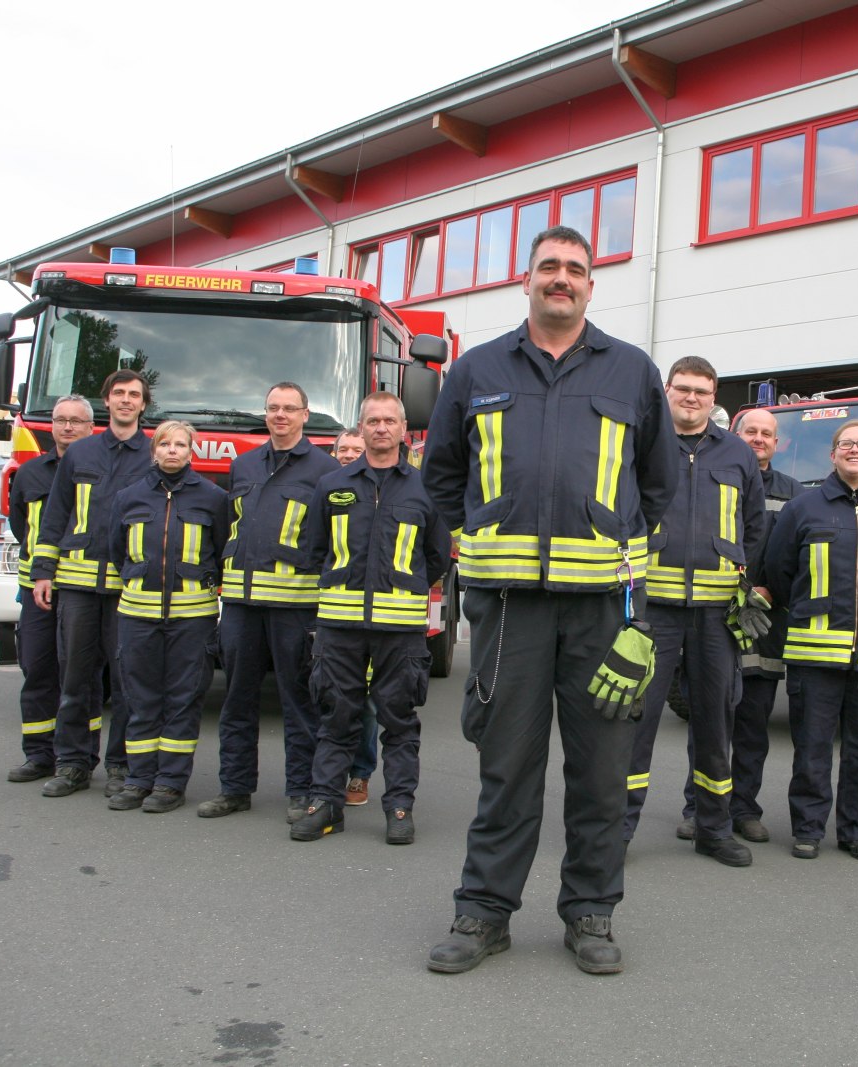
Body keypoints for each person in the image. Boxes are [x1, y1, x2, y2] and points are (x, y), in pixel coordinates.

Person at [422, 226, 676, 976]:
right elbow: (440, 476)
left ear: (591, 286)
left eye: (575, 269)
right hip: (508, 612)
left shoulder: (632, 371)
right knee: (507, 766)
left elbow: (656, 486)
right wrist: (473, 537)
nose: (561, 278)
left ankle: (591, 912)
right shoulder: (476, 370)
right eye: (548, 267)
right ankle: (484, 912)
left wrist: (620, 562)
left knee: (601, 770)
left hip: (602, 610)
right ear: (526, 281)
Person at [622, 356, 765, 867]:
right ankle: (617, 829)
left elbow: (753, 526)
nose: (691, 398)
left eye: (702, 392)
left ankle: (713, 828)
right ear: (666, 391)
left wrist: (739, 578)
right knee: (635, 721)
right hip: (653, 609)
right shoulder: (643, 443)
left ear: (714, 397)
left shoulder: (738, 455)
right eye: (683, 389)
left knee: (715, 725)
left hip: (715, 616)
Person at [291, 395, 449, 843]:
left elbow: (436, 557)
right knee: (336, 716)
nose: (381, 428)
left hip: (399, 629)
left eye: (389, 421)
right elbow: (314, 547)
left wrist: (403, 588)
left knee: (398, 721)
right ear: (360, 429)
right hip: (339, 626)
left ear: (403, 429)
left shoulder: (425, 489)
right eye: (372, 421)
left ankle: (399, 807)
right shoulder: (332, 484)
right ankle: (325, 804)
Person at [763, 418, 858, 861]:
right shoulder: (802, 509)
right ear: (832, 455)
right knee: (812, 749)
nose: (854, 450)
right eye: (846, 444)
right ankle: (808, 829)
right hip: (814, 657)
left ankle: (856, 831)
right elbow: (780, 570)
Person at [198, 383, 339, 823]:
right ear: (266, 414)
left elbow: (333, 540)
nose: (280, 415)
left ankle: (301, 791)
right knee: (236, 700)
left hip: (295, 608)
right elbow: (228, 529)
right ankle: (234, 788)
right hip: (241, 604)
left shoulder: (326, 471)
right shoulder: (242, 465)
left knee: (299, 701)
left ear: (304, 414)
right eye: (273, 408)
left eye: (289, 409)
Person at [680, 406, 807, 844]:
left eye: (766, 433)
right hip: (712, 613)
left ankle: (744, 809)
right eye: (749, 430)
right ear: (734, 433)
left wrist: (768, 590)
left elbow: (793, 554)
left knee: (752, 720)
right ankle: (699, 807)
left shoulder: (794, 493)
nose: (758, 439)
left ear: (779, 443)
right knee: (710, 717)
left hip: (762, 620)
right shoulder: (709, 472)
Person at [30, 371, 153, 798]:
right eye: (118, 393)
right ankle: (72, 764)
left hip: (128, 589)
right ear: (106, 401)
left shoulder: (154, 455)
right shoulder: (79, 454)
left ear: (143, 404)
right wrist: (43, 571)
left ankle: (121, 766)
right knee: (75, 680)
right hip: (78, 588)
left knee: (126, 681)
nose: (125, 400)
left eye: (134, 395)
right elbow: (55, 516)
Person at [105, 421, 227, 813]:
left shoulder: (213, 498)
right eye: (165, 444)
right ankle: (139, 778)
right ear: (153, 450)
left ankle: (171, 783)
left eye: (180, 444)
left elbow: (222, 550)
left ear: (192, 451)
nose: (172, 451)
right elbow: (116, 551)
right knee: (140, 699)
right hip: (137, 616)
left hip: (193, 620)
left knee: (183, 699)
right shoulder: (128, 498)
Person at [4, 394, 97, 783]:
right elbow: (20, 525)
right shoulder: (30, 474)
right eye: (61, 420)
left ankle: (77, 758)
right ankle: (38, 754)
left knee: (81, 675)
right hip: (36, 591)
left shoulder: (98, 472)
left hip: (80, 589)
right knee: (38, 669)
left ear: (92, 428)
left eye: (77, 421)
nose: (68, 427)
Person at [330, 428, 378, 809]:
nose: (348, 455)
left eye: (355, 449)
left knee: (364, 702)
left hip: (374, 620)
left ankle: (359, 774)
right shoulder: (327, 492)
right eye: (342, 449)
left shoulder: (380, 495)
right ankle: (326, 775)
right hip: (331, 614)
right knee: (326, 697)